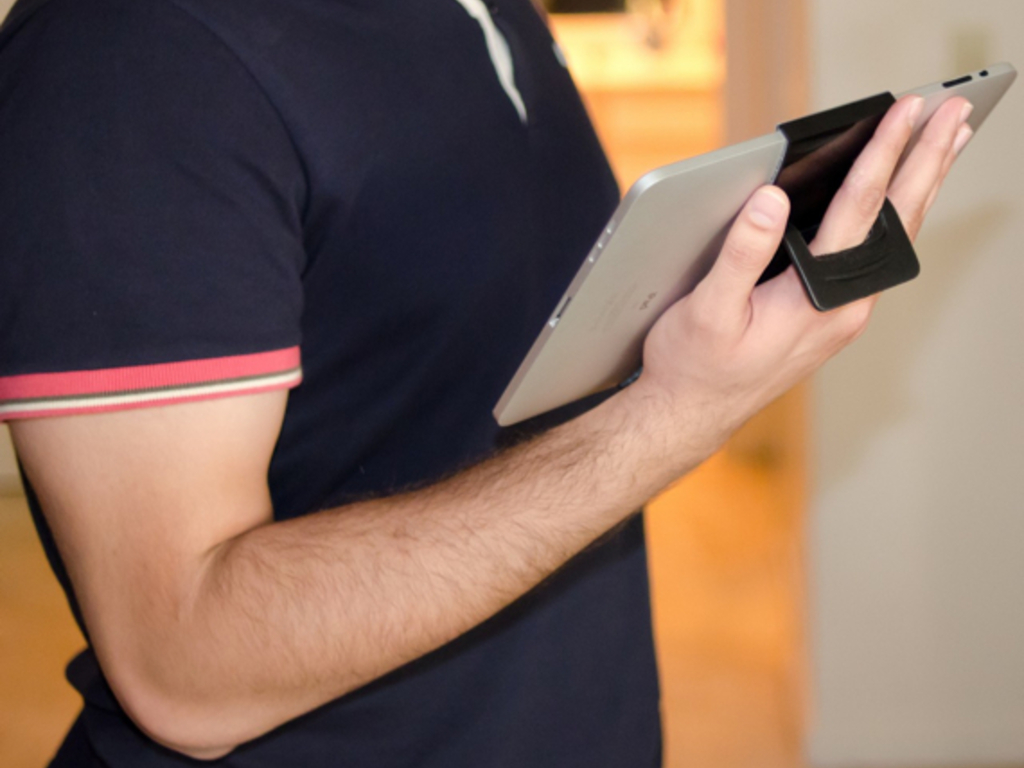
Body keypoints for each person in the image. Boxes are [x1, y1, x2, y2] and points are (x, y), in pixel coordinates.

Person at [0, 0, 973, 765]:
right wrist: (679, 413)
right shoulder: (127, 52)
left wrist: (720, 296)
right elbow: (181, 669)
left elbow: (470, 356)